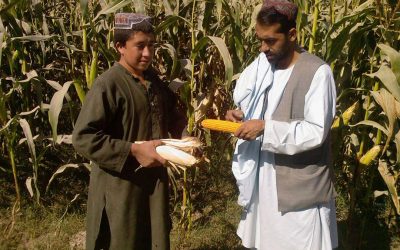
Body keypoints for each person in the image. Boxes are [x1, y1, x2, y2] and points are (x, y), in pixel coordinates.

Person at [225, 1, 338, 249]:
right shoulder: (263, 66)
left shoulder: (317, 73)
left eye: (271, 40)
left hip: (299, 190)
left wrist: (265, 128)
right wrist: (240, 116)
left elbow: (316, 132)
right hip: (263, 179)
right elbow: (254, 104)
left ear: (292, 35)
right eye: (260, 40)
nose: (263, 48)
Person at [72, 13, 186, 250]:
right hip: (121, 188)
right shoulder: (108, 85)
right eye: (140, 46)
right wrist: (133, 150)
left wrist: (183, 137)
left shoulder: (154, 82)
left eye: (151, 45)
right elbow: (83, 138)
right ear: (120, 47)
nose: (147, 53)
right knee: (124, 239)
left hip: (153, 185)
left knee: (153, 237)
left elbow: (173, 114)